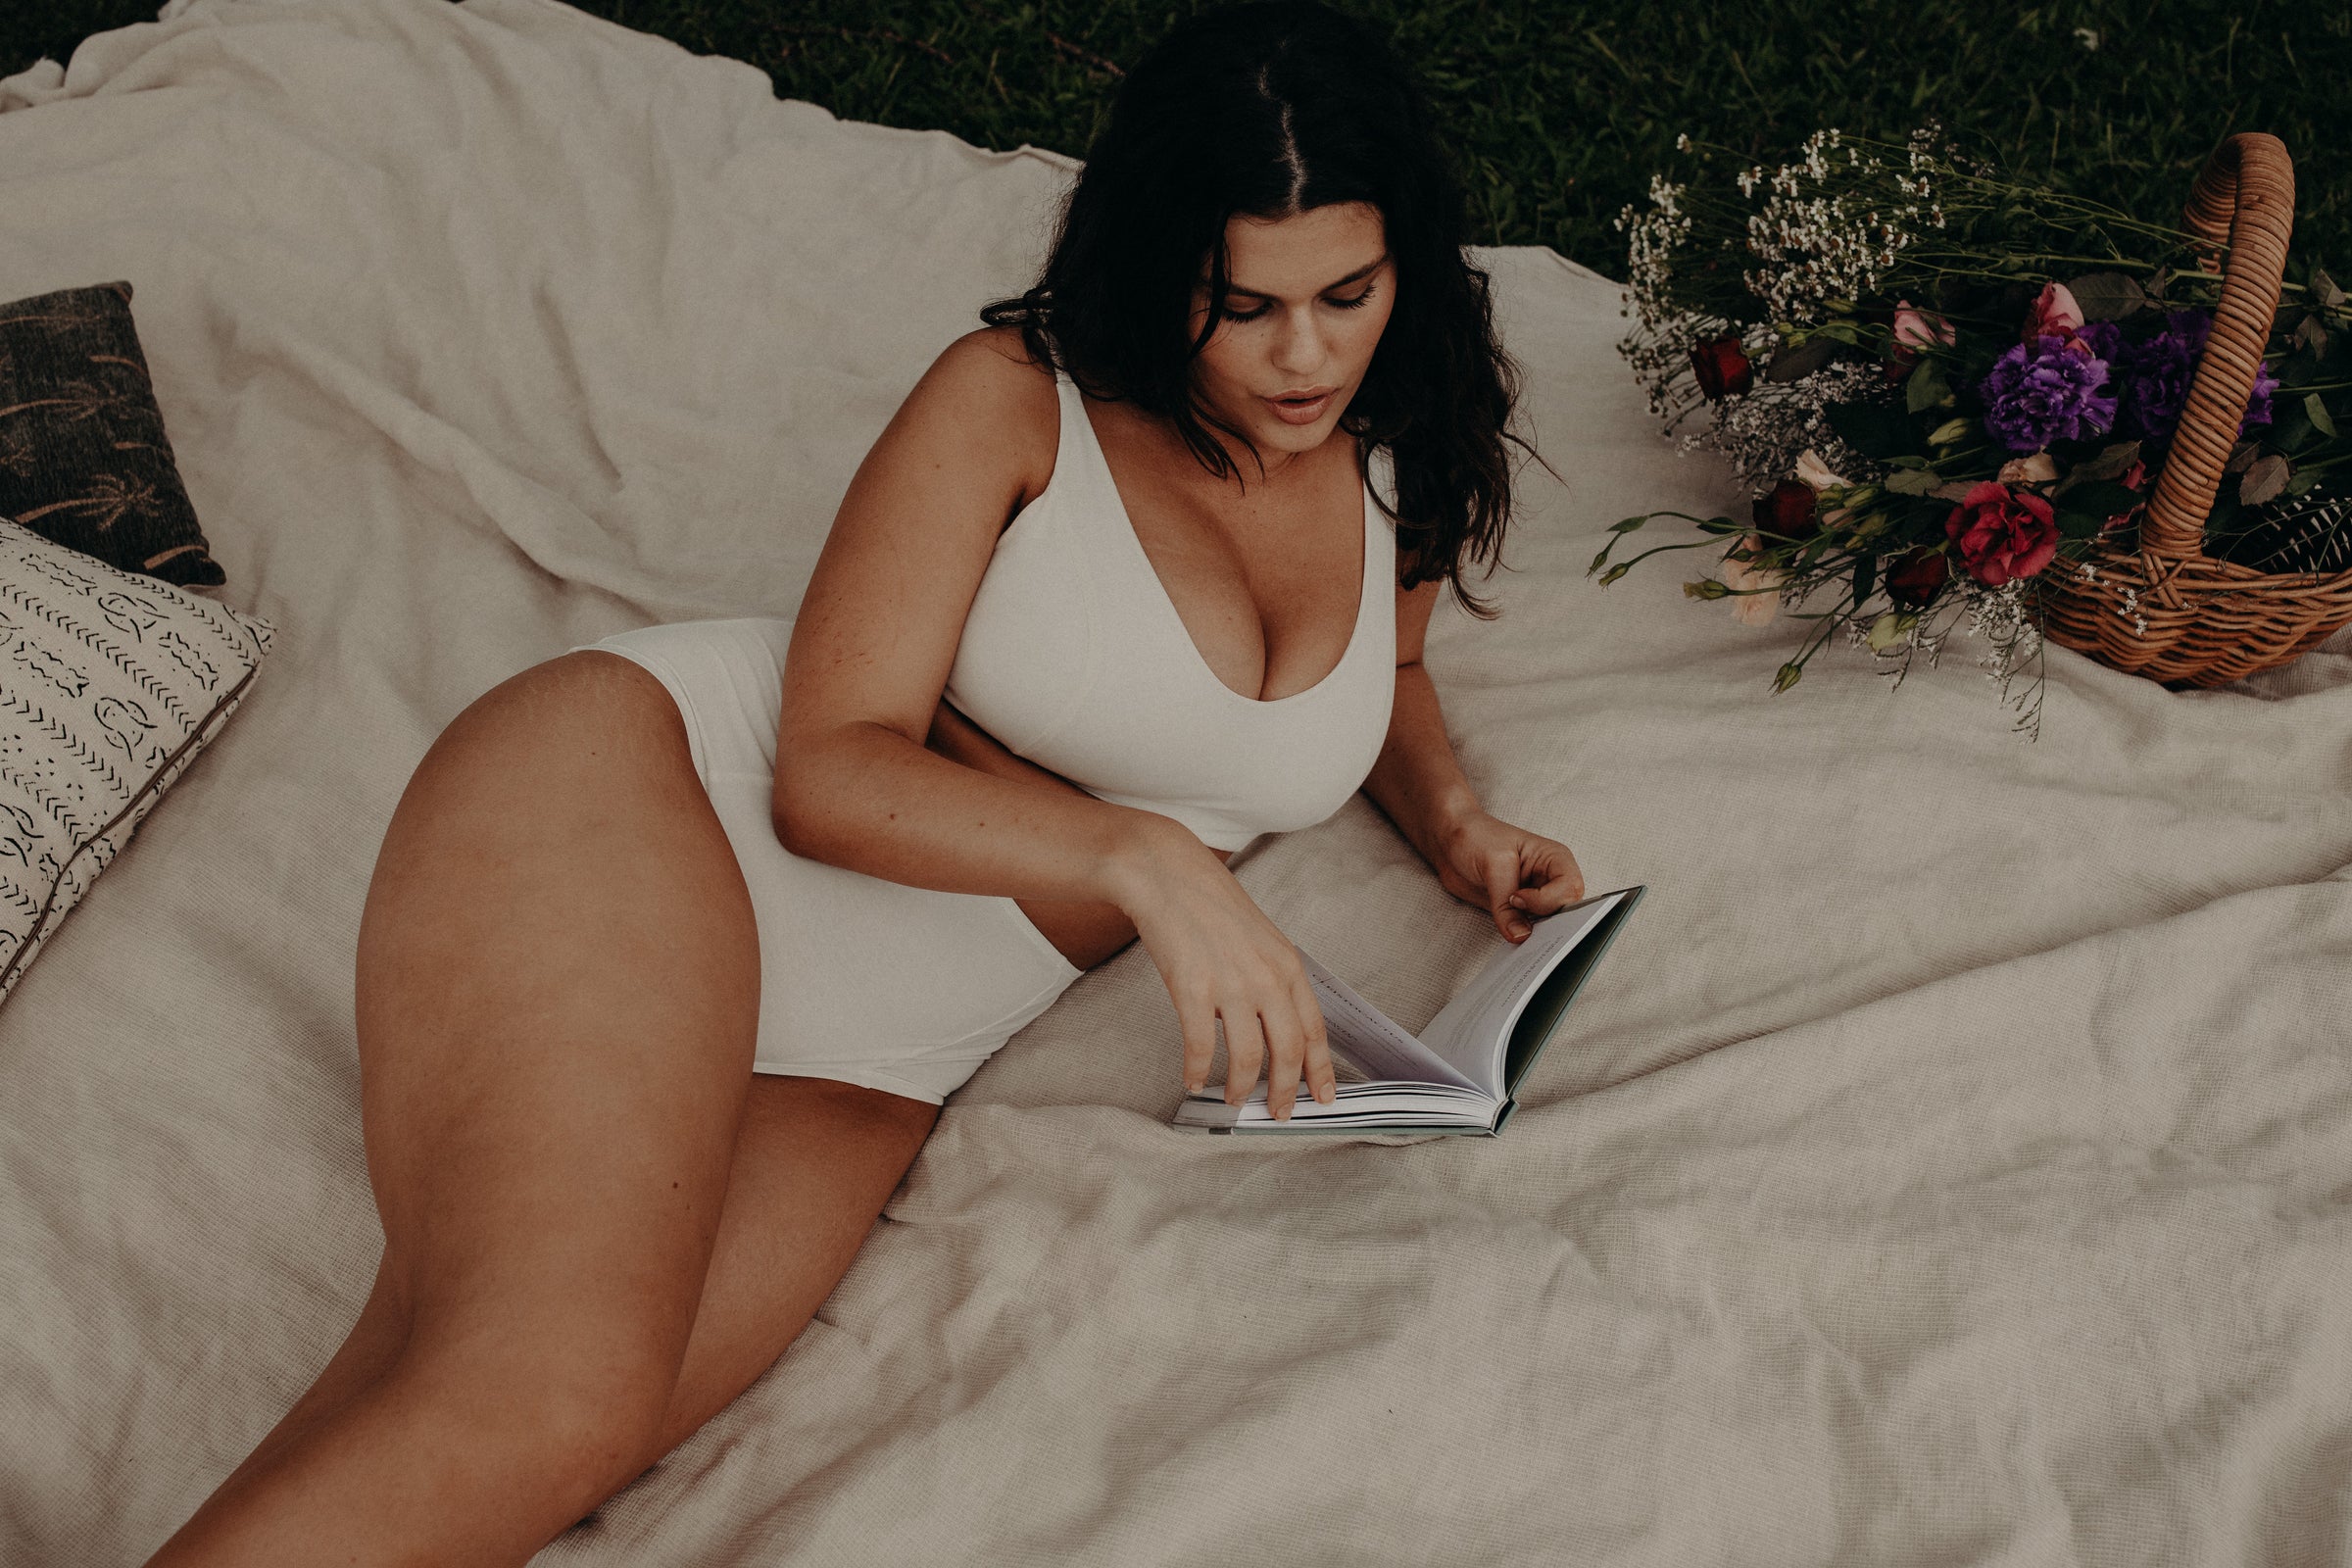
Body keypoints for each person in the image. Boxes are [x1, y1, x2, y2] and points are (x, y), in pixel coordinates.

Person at [144, 2, 1583, 1561]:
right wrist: (1152, 863)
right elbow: (827, 776)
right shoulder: (1013, 400)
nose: (1305, 354)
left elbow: (1395, 674)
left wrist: (1456, 828)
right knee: (534, 1398)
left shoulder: (1406, 437)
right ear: (1159, 266)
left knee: (496, 1433)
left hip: (883, 1047)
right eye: (1243, 307)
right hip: (659, 805)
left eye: (1346, 294)